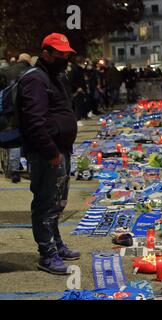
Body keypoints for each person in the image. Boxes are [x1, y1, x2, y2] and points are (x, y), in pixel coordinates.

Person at [17, 33, 80, 275]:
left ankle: (56, 244)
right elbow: (34, 122)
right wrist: (51, 151)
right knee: (45, 204)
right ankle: (46, 254)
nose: (65, 58)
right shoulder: (35, 79)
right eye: (60, 54)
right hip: (47, 154)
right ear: (46, 53)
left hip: (60, 151)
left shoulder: (54, 76)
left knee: (57, 202)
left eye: (67, 54)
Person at [0, 53, 33, 183]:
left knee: (12, 140)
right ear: (29, 61)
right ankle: (27, 168)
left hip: (10, 111)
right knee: (28, 139)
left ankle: (13, 169)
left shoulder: (7, 71)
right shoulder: (31, 72)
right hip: (26, 110)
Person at [68, 56, 87, 126]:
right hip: (77, 90)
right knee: (77, 105)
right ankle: (77, 119)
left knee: (80, 104)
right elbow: (73, 80)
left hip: (80, 89)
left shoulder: (79, 69)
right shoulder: (75, 69)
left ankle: (79, 118)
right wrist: (78, 87)